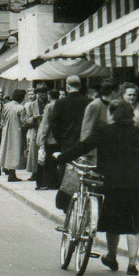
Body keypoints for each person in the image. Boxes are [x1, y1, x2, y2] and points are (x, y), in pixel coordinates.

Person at [54, 99, 139, 276]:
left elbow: (83, 147)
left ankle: (112, 256)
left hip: (112, 182)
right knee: (134, 223)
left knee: (113, 222)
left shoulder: (104, 131)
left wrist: (61, 157)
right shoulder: (138, 131)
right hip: (137, 182)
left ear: (112, 114)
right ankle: (132, 264)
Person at [51, 75, 91, 211]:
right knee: (85, 173)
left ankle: (67, 205)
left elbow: (54, 125)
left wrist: (61, 140)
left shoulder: (61, 103)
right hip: (86, 144)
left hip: (67, 144)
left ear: (67, 87)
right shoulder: (89, 102)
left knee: (66, 174)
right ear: (80, 86)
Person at [0, 89, 27, 182]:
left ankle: (9, 170)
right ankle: (12, 174)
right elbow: (23, 122)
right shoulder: (21, 108)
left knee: (7, 150)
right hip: (16, 132)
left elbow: (2, 118)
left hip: (6, 130)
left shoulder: (6, 106)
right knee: (15, 152)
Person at [36, 89, 60, 190]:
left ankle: (46, 183)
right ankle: (56, 182)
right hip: (60, 138)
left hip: (50, 138)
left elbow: (45, 124)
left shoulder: (49, 106)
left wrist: (42, 140)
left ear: (49, 96)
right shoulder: (61, 105)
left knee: (48, 163)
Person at [24, 83, 48, 181]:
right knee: (34, 153)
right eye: (41, 92)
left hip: (46, 132)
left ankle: (45, 174)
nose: (43, 95)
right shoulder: (31, 105)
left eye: (44, 92)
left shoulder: (49, 103)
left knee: (45, 153)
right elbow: (26, 120)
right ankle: (35, 172)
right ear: (37, 93)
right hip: (35, 130)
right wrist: (34, 118)